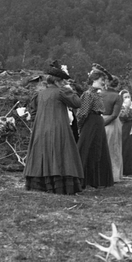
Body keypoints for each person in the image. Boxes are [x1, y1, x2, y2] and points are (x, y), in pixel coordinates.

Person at [23, 63, 85, 194]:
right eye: (63, 81)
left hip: (40, 129)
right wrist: (69, 89)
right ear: (58, 81)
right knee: (59, 154)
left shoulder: (40, 94)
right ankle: (59, 185)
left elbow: (33, 112)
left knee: (42, 154)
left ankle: (40, 185)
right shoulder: (62, 92)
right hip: (58, 127)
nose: (64, 83)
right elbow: (77, 103)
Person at [75, 71, 113, 189]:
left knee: (97, 150)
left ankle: (96, 180)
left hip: (97, 123)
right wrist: (80, 126)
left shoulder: (96, 94)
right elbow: (82, 113)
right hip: (91, 123)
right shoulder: (88, 94)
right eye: (102, 80)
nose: (103, 82)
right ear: (94, 79)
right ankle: (82, 180)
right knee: (85, 149)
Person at [93, 65, 124, 182]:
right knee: (113, 149)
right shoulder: (117, 96)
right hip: (111, 124)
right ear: (117, 85)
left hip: (99, 121)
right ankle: (113, 175)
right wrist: (103, 123)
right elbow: (114, 115)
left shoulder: (98, 94)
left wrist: (99, 123)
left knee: (100, 149)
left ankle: (99, 175)